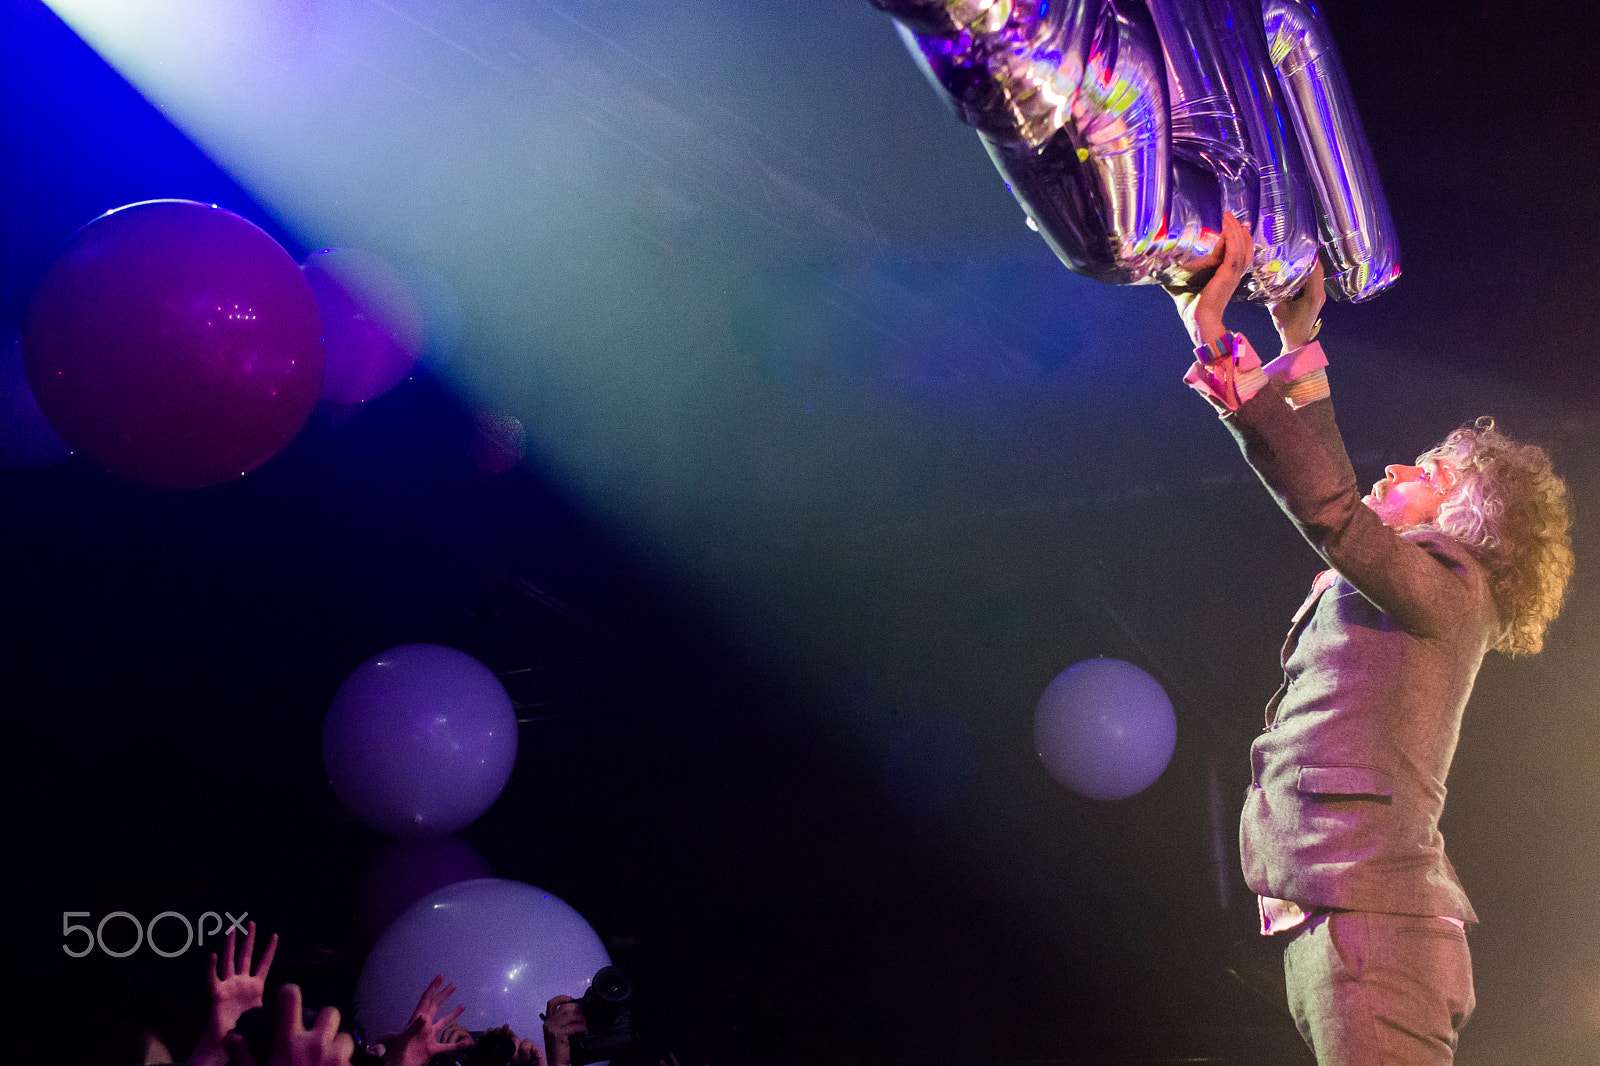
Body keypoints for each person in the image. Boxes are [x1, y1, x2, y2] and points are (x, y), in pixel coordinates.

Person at [1170, 213, 1573, 1065]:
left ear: (1472, 518)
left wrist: (1222, 353)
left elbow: (1335, 513)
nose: (1397, 469)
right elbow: (1338, 507)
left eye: (1425, 474)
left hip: (1377, 934)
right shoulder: (1433, 595)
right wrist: (1296, 341)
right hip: (1361, 930)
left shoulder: (1453, 588)